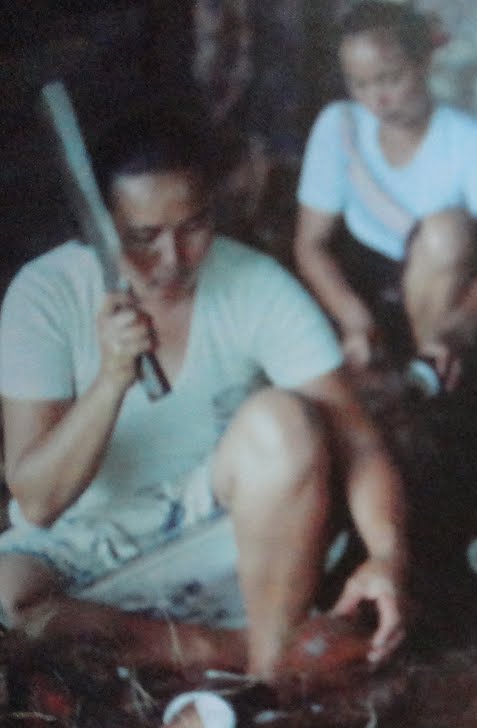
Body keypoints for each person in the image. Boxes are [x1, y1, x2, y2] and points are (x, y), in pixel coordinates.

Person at [0, 105, 408, 683]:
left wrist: (388, 555)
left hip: (215, 530)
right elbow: (38, 501)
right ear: (95, 225)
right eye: (143, 237)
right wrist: (111, 380)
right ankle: (238, 647)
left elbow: (358, 443)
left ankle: (267, 674)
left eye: (193, 227)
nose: (173, 260)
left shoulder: (255, 284)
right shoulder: (44, 296)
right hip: (88, 544)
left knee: (284, 423)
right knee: (14, 600)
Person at [293, 0, 477, 393]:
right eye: (360, 84)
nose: (375, 99)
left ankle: (429, 382)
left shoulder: (472, 141)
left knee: (446, 230)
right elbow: (310, 244)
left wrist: (458, 328)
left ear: (423, 63)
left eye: (390, 79)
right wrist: (355, 320)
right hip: (359, 290)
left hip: (439, 296)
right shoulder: (339, 125)